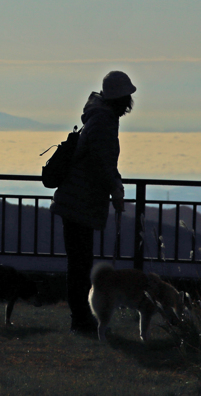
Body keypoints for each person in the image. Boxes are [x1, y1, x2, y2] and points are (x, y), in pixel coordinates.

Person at [50, 71, 135, 334]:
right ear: (121, 98)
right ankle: (80, 319)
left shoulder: (99, 118)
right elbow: (102, 164)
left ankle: (81, 317)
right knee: (80, 264)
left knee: (79, 262)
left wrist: (115, 186)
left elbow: (104, 163)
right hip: (80, 202)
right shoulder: (103, 122)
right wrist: (116, 190)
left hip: (76, 200)